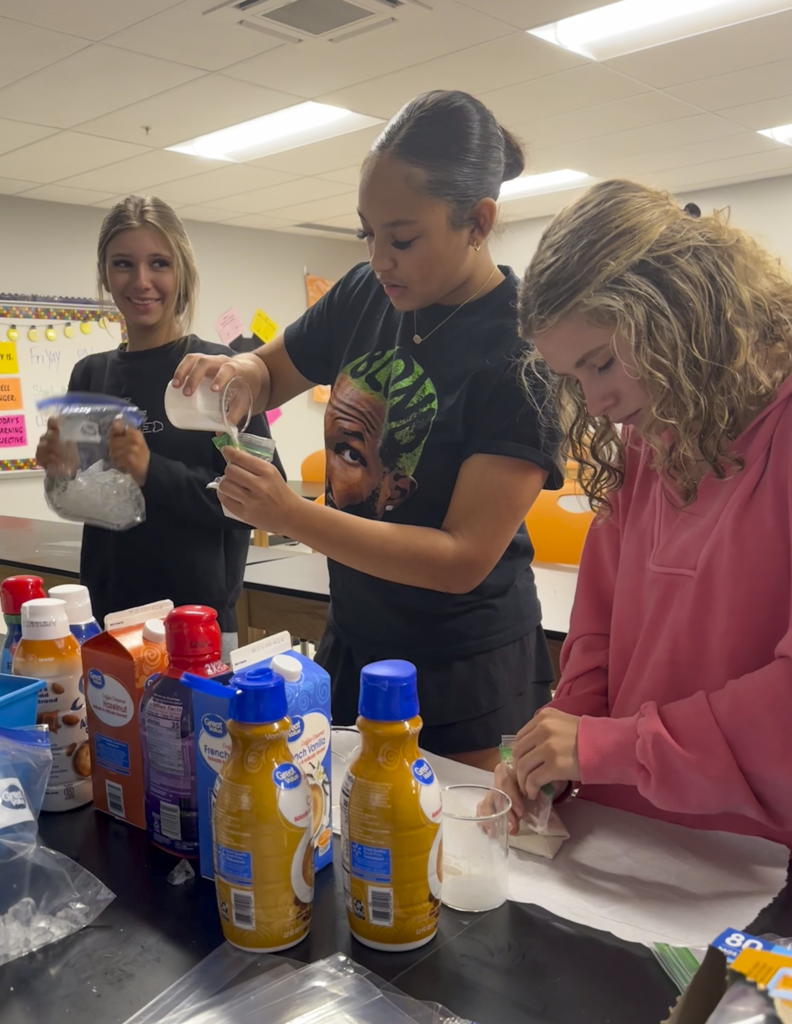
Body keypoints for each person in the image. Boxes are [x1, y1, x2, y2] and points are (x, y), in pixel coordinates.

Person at [173, 90, 564, 770]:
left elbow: (462, 558)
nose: (381, 258)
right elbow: (268, 371)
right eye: (367, 234)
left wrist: (290, 514)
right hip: (356, 637)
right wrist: (234, 375)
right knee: (346, 820)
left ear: (478, 222)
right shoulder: (364, 294)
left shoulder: (524, 348)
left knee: (448, 830)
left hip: (462, 665)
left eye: (402, 239)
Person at [498, 178, 792, 846]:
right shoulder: (650, 429)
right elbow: (598, 636)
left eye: (602, 364)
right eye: (574, 379)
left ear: (677, 309)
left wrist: (610, 748)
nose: (596, 404)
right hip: (624, 836)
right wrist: (556, 748)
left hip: (755, 858)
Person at [36, 196, 283, 661]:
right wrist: (61, 472)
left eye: (159, 263)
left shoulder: (222, 372)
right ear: (105, 274)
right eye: (123, 264)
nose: (141, 281)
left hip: (196, 626)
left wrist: (152, 470)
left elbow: (265, 505)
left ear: (182, 272)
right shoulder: (90, 375)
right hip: (107, 619)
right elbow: (89, 503)